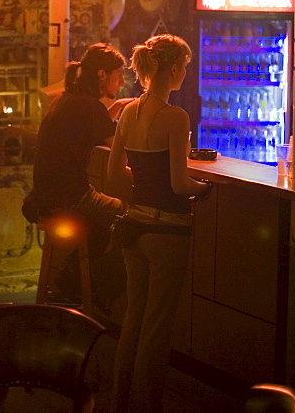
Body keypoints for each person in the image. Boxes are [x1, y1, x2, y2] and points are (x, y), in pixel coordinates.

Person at [107, 34, 212, 413]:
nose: (186, 72)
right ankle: (147, 406)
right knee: (156, 327)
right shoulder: (175, 116)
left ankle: (120, 402)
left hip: (134, 226)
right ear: (173, 68)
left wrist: (141, 191)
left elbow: (114, 173)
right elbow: (180, 183)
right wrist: (206, 190)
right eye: (185, 65)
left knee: (133, 320)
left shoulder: (128, 112)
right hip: (168, 230)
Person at [22, 43, 130, 296]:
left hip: (43, 195)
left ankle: (74, 278)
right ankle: (87, 285)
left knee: (103, 224)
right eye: (118, 75)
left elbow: (93, 125)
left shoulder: (67, 99)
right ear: (102, 75)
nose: (122, 82)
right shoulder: (89, 107)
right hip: (72, 197)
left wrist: (115, 111)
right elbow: (117, 148)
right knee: (126, 219)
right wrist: (133, 118)